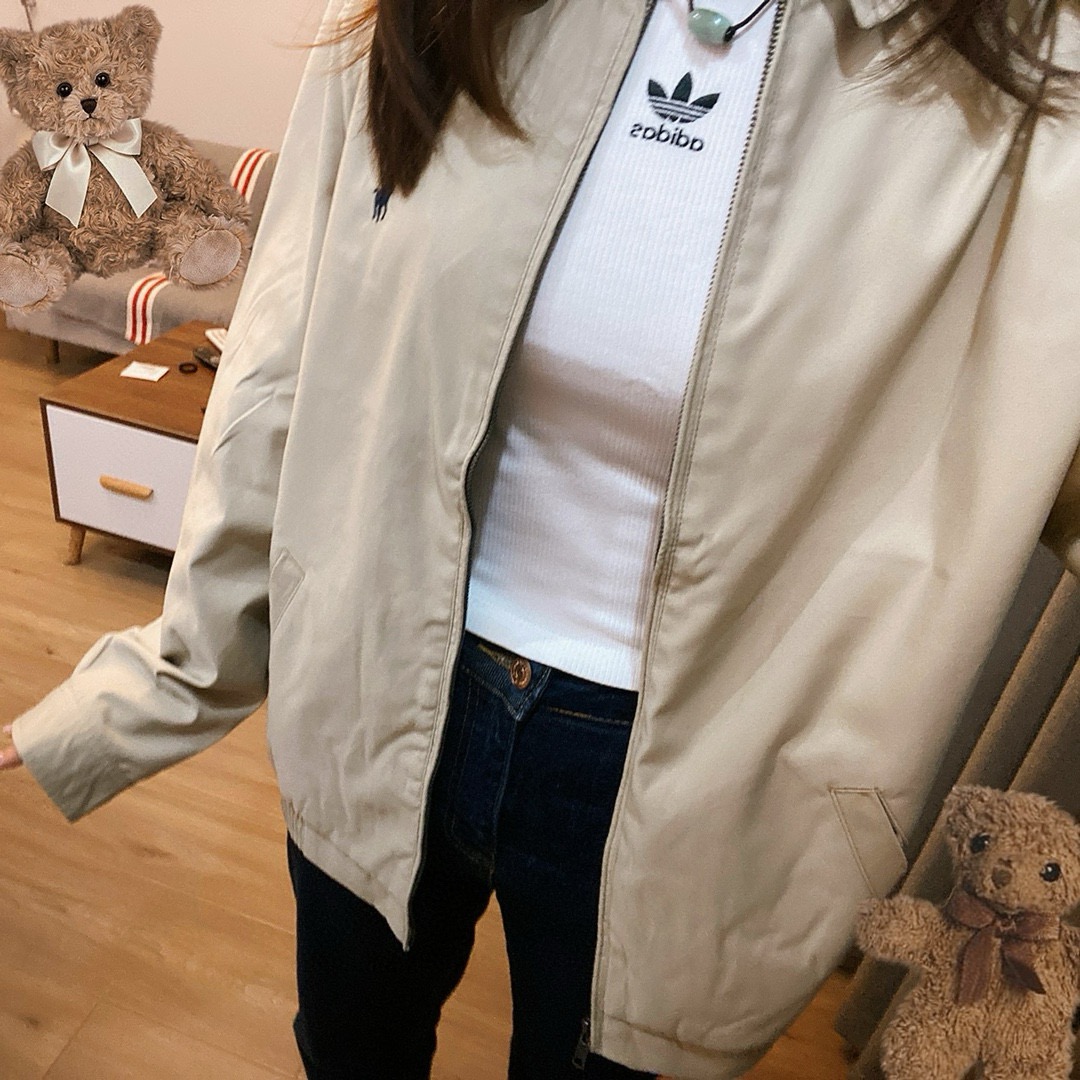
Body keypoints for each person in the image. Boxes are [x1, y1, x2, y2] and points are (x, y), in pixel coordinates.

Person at [3, 0, 1080, 1076]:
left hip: (711, 781)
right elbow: (284, 348)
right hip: (373, 671)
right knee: (348, 1051)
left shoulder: (1036, 71)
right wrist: (174, 671)